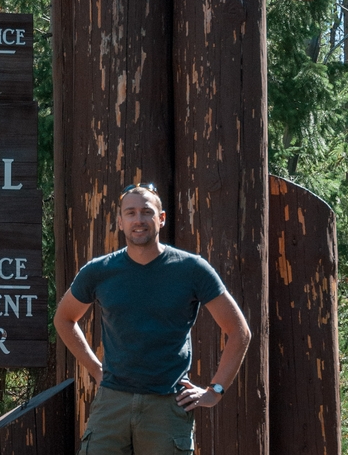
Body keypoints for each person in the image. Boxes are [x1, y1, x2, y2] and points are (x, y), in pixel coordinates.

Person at [54, 183, 251, 454]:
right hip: (112, 404)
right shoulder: (99, 271)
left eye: (146, 212)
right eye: (131, 213)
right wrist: (96, 370)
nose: (139, 220)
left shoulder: (192, 269)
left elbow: (239, 332)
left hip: (167, 407)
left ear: (161, 219)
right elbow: (64, 319)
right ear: (120, 222)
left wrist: (214, 390)